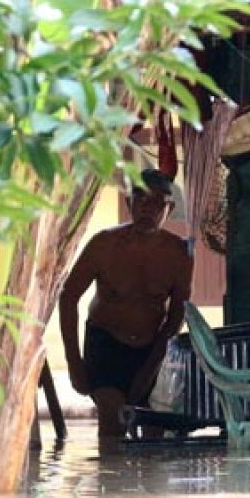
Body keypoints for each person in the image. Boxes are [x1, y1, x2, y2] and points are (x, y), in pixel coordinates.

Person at [59, 169, 193, 438]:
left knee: (155, 433)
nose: (148, 208)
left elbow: (176, 315)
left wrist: (151, 366)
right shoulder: (104, 245)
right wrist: (74, 362)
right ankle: (111, 478)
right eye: (141, 198)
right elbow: (68, 296)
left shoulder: (178, 254)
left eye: (158, 202)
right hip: (106, 344)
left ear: (170, 208)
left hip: (151, 346)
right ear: (128, 202)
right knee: (113, 422)